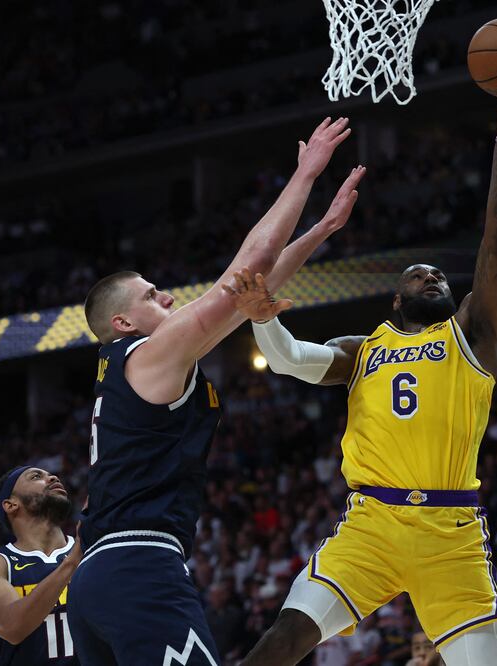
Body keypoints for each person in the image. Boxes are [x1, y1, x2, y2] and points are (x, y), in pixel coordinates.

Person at [225, 64, 497, 666]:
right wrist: (261, 316)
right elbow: (291, 360)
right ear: (397, 300)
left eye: (439, 274)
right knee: (285, 637)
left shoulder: (473, 334)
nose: (434, 275)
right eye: (419, 274)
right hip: (370, 524)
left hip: (450, 535)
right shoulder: (363, 349)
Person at [69, 117, 363, 665]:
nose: (170, 299)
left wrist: (321, 230)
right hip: (139, 566)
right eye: (154, 297)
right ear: (122, 324)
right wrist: (304, 174)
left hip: (99, 580)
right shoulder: (147, 357)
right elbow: (244, 270)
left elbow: (253, 290)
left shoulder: (130, 368)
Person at [0, 466, 80, 664]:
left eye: (50, 474)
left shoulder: (90, 549)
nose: (52, 477)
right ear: (11, 505)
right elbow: (12, 627)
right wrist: (74, 560)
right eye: (36, 476)